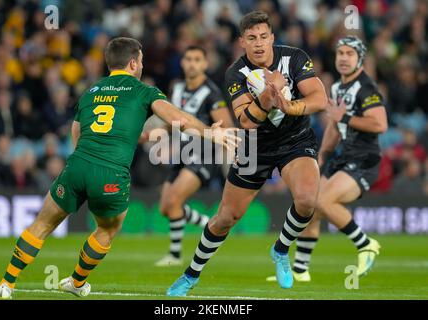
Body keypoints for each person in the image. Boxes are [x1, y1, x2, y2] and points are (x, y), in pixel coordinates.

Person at [0, 37, 239, 299]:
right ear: (133, 63)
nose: (142, 65)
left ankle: (6, 284)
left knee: (41, 224)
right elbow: (178, 118)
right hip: (111, 173)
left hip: (77, 165)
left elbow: (77, 131)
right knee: (108, 229)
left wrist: (83, 163)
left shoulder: (92, 91)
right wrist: (210, 133)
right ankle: (76, 282)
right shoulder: (143, 90)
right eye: (141, 60)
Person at [167, 10, 327, 296]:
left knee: (306, 201)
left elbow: (319, 98)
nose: (259, 43)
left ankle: (280, 250)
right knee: (225, 218)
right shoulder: (235, 72)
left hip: (296, 140)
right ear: (242, 41)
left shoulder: (295, 57)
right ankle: (191, 275)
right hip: (254, 146)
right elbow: (246, 121)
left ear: (272, 38)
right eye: (252, 38)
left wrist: (290, 107)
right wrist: (267, 96)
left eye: (264, 37)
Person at [289, 36, 387, 282]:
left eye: (349, 54)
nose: (343, 58)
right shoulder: (336, 88)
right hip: (343, 158)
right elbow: (334, 126)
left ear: (360, 58)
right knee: (310, 206)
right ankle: (300, 270)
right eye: (340, 53)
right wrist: (322, 156)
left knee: (323, 201)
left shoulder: (366, 88)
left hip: (365, 160)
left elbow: (380, 124)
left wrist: (344, 118)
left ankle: (365, 244)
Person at [155, 45, 234, 267]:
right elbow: (172, 120)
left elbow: (226, 126)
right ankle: (208, 223)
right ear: (182, 62)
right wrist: (153, 135)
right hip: (181, 154)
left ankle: (174, 255)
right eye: (188, 58)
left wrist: (231, 155)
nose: (192, 63)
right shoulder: (177, 88)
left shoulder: (212, 93)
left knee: (174, 201)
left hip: (204, 156)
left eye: (197, 59)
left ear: (205, 64)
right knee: (165, 208)